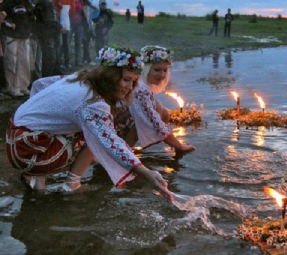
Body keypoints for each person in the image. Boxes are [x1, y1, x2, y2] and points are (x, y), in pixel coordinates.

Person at [5, 45, 173, 201]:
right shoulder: (93, 103)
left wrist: (41, 117)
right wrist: (145, 172)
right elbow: (111, 142)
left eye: (133, 82)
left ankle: (38, 175)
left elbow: (39, 84)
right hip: (29, 150)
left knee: (91, 129)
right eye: (125, 80)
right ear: (110, 76)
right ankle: (70, 184)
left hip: (15, 137)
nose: (130, 87)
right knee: (94, 136)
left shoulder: (79, 77)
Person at [115, 45, 195, 152]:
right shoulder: (140, 89)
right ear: (146, 69)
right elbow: (154, 122)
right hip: (113, 128)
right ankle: (123, 151)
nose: (162, 75)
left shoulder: (141, 84)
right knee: (151, 114)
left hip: (121, 122)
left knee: (162, 111)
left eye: (165, 70)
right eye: (157, 70)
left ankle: (128, 147)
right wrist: (179, 146)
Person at [2, 0, 35, 97]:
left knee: (25, 61)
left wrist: (31, 32)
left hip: (24, 35)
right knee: (12, 62)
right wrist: (9, 24)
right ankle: (12, 88)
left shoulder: (27, 3)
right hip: (11, 36)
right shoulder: (7, 3)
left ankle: (23, 86)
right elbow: (2, 16)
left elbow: (32, 16)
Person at [34, 0, 62, 78]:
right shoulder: (45, 5)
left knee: (51, 59)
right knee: (49, 60)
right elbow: (48, 21)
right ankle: (46, 79)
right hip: (47, 35)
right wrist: (60, 27)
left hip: (47, 35)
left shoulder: (45, 4)